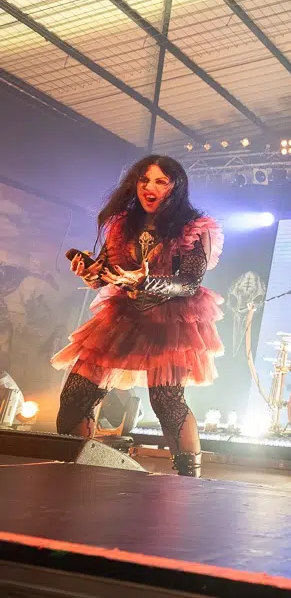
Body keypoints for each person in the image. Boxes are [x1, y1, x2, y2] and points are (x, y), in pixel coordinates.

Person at [51, 155, 224, 477]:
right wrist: (90, 271)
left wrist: (147, 282)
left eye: (160, 181)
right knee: (76, 395)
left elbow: (189, 283)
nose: (149, 187)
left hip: (171, 319)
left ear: (175, 187)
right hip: (124, 315)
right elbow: (106, 273)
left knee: (166, 402)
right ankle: (75, 474)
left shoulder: (194, 227)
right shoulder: (122, 224)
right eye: (144, 180)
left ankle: (190, 483)